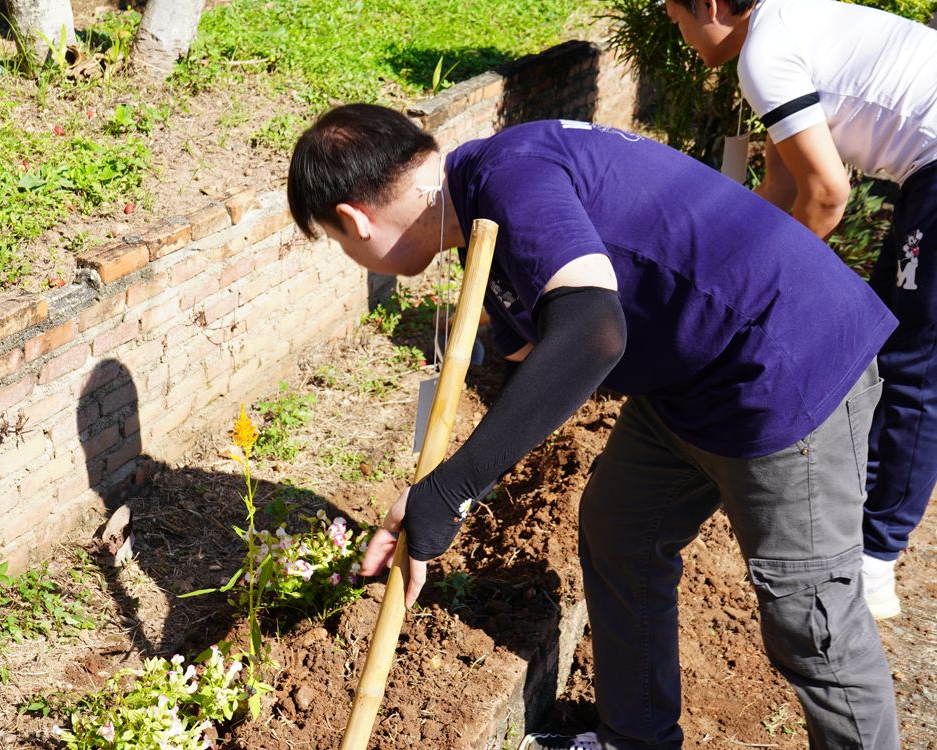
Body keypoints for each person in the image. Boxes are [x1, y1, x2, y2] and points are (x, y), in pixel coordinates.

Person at [287, 103, 900, 749]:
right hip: (690, 379)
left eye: (339, 243)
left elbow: (593, 334)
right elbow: (548, 348)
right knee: (621, 534)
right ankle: (635, 740)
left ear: (355, 219)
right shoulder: (479, 215)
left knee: (811, 621)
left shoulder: (509, 174)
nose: (355, 257)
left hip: (784, 365)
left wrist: (450, 491)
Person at [664, 0, 937, 620]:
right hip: (924, 173)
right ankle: (865, 531)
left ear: (711, 5)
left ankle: (874, 560)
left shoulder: (764, 52)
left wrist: (754, 297)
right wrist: (718, 270)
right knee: (887, 340)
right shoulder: (784, 28)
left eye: (677, 17)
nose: (681, 35)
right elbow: (783, 188)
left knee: (913, 366)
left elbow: (826, 195)